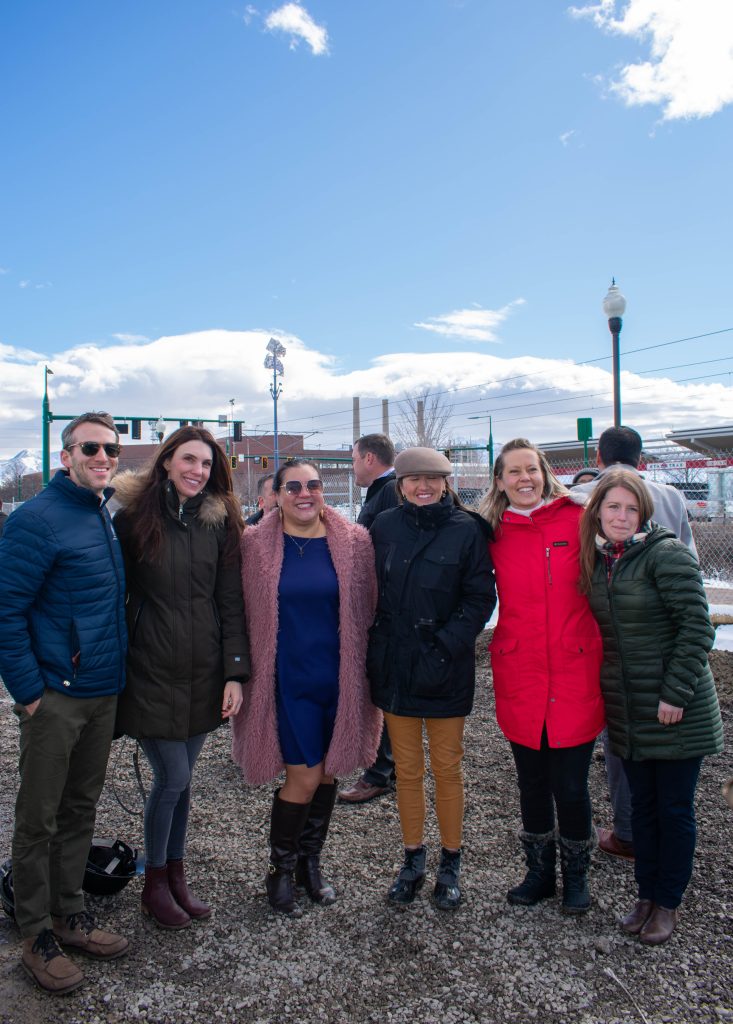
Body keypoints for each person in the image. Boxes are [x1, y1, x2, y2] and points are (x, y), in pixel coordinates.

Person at [0, 412, 128, 995]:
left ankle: (69, 911)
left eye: (111, 450)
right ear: (67, 454)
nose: (103, 457)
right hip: (56, 696)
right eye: (92, 448)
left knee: (80, 808)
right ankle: (34, 933)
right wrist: (29, 694)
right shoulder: (37, 520)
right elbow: (7, 612)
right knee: (38, 818)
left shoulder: (99, 513)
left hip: (100, 692)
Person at [113, 426, 250, 930]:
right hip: (149, 670)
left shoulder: (219, 524)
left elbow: (230, 602)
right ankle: (154, 882)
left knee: (183, 783)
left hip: (203, 671)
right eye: (189, 460)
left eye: (207, 464)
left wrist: (235, 674)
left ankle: (175, 876)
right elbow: (110, 596)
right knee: (173, 776)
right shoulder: (131, 520)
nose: (198, 471)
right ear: (167, 461)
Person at [231, 459, 381, 917]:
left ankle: (309, 864)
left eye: (313, 485)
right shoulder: (254, 545)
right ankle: (280, 868)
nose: (304, 493)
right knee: (305, 775)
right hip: (287, 679)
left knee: (331, 769)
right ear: (275, 494)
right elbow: (238, 611)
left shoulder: (355, 542)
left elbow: (369, 608)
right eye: (292, 486)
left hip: (340, 678)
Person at [579, 468, 723, 944]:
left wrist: (673, 694)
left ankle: (667, 903)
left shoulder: (666, 554)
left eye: (631, 508)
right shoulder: (602, 561)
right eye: (613, 507)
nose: (622, 516)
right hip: (629, 706)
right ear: (598, 510)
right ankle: (644, 896)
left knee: (673, 808)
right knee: (642, 807)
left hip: (673, 706)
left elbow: (698, 629)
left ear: (644, 513)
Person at [478, 438, 604, 915]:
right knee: (530, 782)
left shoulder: (578, 519)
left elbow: (627, 526)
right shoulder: (492, 530)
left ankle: (577, 874)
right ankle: (539, 872)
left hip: (574, 670)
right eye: (514, 472)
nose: (524, 479)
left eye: (531, 469)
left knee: (570, 785)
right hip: (521, 671)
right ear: (500, 480)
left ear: (545, 472)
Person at [368, 447, 495, 909]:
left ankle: (451, 862)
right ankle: (413, 858)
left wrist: (445, 646)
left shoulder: (467, 531)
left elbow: (480, 597)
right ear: (399, 484)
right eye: (414, 478)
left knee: (447, 769)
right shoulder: (382, 528)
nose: (424, 486)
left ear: (447, 483)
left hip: (444, 668)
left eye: (433, 478)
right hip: (395, 667)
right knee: (406, 770)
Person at [572, 425, 697, 861]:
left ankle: (628, 832)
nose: (622, 515)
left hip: (622, 646)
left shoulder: (588, 496)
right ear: (641, 460)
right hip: (657, 644)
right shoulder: (673, 497)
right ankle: (647, 839)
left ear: (601, 459)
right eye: (615, 509)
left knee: (624, 747)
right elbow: (692, 563)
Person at [339, 433, 401, 805]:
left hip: (385, 610)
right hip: (380, 608)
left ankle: (382, 771)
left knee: (385, 692)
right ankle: (386, 767)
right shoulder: (383, 491)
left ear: (369, 458)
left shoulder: (389, 491)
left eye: (353, 459)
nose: (352, 467)